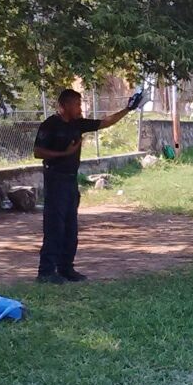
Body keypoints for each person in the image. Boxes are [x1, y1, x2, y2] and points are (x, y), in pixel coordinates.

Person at [34, 88, 138, 284]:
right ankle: (46, 272)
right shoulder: (50, 125)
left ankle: (66, 268)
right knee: (55, 226)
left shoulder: (77, 124)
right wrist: (64, 154)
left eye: (79, 104)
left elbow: (105, 122)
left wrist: (128, 109)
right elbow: (38, 152)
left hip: (70, 180)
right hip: (55, 179)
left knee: (70, 228)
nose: (80, 108)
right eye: (76, 105)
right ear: (64, 106)